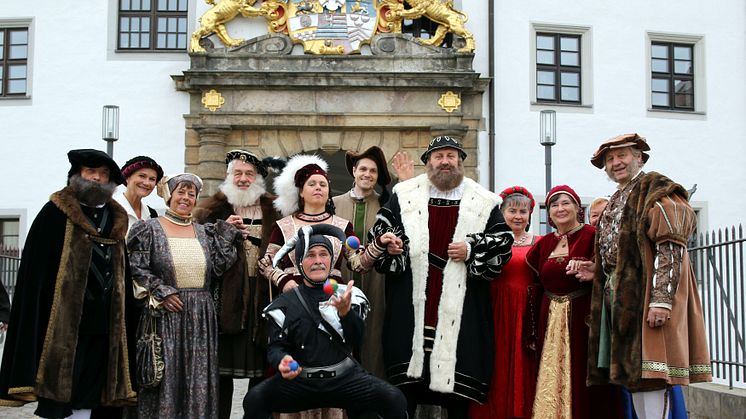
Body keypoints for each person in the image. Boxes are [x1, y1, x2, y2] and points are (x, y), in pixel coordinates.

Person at [364, 135, 513, 418]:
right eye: (438, 156)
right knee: (406, 390)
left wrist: (471, 248)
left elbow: (503, 243)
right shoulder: (405, 195)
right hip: (412, 303)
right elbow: (380, 233)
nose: (445, 161)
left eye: (451, 156)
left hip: (463, 307)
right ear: (428, 163)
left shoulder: (483, 201)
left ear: (460, 162)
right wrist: (393, 244)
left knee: (457, 393)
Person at [578, 134, 711, 418]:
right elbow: (619, 250)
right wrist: (597, 269)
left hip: (646, 297)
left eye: (622, 156)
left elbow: (670, 246)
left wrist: (661, 301)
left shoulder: (656, 189)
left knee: (652, 376)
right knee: (635, 378)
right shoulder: (617, 198)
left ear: (639, 157)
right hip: (621, 297)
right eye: (610, 160)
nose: (616, 163)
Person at [0, 149, 135, 418]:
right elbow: (35, 273)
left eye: (103, 174)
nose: (96, 179)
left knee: (92, 389)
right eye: (90, 172)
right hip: (64, 323)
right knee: (62, 388)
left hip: (105, 321)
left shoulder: (115, 217)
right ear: (77, 175)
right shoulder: (55, 213)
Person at [243, 224, 407, 419]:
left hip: (345, 379)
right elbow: (275, 348)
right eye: (310, 255)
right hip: (301, 383)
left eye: (324, 254)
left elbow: (358, 337)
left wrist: (346, 313)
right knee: (254, 400)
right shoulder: (284, 303)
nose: (318, 261)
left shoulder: (348, 295)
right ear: (300, 261)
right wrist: (282, 360)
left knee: (394, 399)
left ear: (331, 260)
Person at [127, 173, 243, 419]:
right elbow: (136, 268)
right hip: (166, 313)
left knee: (197, 378)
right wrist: (162, 292)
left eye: (192, 194)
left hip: (201, 315)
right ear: (169, 196)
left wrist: (228, 232)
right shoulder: (149, 229)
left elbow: (219, 267)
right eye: (181, 192)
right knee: (166, 377)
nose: (186, 198)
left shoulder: (203, 232)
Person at [193, 150, 280, 419]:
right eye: (237, 173)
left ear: (258, 179)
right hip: (224, 300)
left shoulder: (276, 209)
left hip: (263, 297)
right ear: (228, 176)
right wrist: (221, 231)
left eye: (249, 174)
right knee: (220, 376)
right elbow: (200, 256)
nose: (243, 179)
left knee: (262, 371)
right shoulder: (210, 211)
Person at [527, 185, 614, 418]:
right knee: (549, 374)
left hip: (584, 316)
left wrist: (595, 274)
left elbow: (613, 273)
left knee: (584, 374)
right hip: (550, 318)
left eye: (566, 203)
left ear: (577, 208)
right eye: (554, 205)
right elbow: (536, 284)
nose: (560, 208)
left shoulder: (593, 236)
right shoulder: (543, 244)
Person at [470, 186, 539, 419]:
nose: (518, 216)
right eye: (512, 210)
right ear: (502, 212)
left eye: (523, 211)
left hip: (525, 313)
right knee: (496, 363)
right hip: (495, 310)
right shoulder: (489, 242)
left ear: (530, 215)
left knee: (524, 365)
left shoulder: (539, 242)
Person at [331, 146, 395, 379]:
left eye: (373, 171)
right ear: (354, 171)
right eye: (363, 169)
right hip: (341, 281)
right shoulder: (334, 204)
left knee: (373, 337)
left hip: (376, 282)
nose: (368, 174)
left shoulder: (386, 206)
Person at [114, 156, 164, 234]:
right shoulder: (111, 210)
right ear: (127, 178)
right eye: (142, 176)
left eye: (152, 179)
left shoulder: (152, 214)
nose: (146, 183)